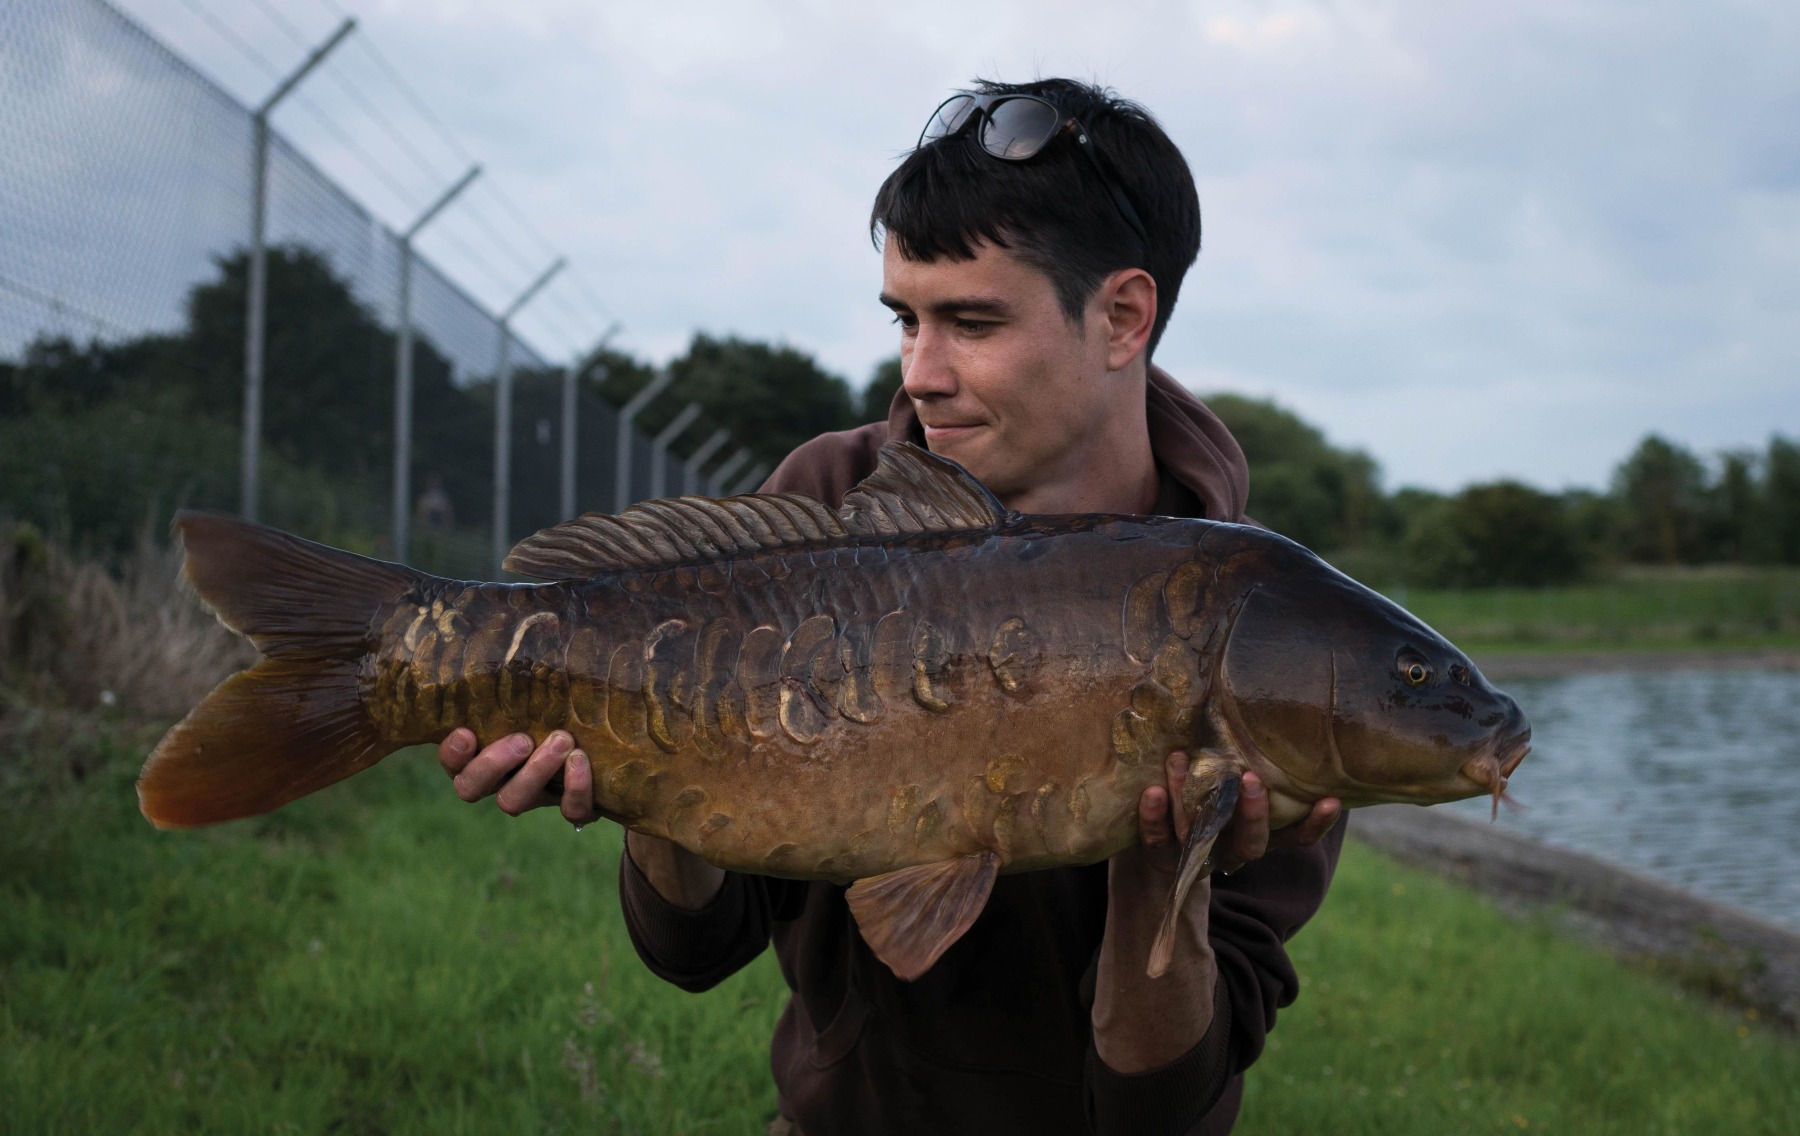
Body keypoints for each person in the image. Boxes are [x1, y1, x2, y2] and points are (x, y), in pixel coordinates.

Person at [439, 78, 1344, 1135]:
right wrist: (646, 784)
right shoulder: (826, 508)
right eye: (905, 318)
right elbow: (695, 951)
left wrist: (1164, 876)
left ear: (1122, 316)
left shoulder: (1270, 638)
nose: (920, 373)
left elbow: (1160, 1110)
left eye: (971, 321)